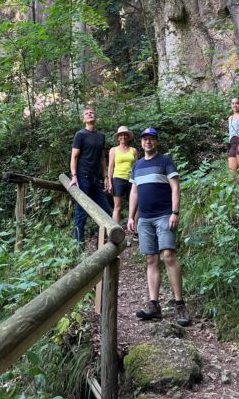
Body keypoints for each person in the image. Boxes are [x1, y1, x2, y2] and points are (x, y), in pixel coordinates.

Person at [127, 127, 191, 327]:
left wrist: (175, 212)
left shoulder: (165, 161)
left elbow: (175, 187)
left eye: (151, 139)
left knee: (168, 256)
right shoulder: (136, 165)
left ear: (156, 141)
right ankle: (154, 306)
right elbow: (134, 193)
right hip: (144, 218)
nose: (148, 142)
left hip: (164, 215)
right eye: (145, 139)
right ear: (141, 142)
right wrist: (131, 217)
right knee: (150, 258)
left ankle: (180, 304)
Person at [68, 107, 112, 244]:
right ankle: (77, 245)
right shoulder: (80, 135)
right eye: (86, 114)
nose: (89, 114)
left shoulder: (101, 136)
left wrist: (105, 177)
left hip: (95, 179)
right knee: (81, 213)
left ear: (95, 116)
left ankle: (103, 243)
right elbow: (74, 157)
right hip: (82, 177)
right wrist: (74, 176)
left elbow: (102, 159)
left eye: (91, 112)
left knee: (106, 211)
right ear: (83, 119)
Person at [107, 126, 137, 224]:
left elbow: (136, 166)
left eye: (125, 135)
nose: (123, 137)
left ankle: (134, 231)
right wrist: (110, 182)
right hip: (118, 179)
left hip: (132, 180)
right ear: (118, 137)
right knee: (117, 207)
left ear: (128, 137)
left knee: (134, 206)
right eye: (121, 135)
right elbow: (111, 166)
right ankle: (116, 232)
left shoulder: (134, 150)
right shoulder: (113, 150)